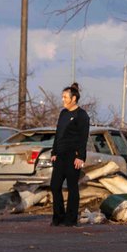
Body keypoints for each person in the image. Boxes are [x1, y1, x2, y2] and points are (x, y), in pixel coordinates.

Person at [49, 82, 90, 227]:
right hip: (60, 156)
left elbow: (84, 137)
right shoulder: (63, 113)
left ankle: (71, 219)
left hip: (73, 156)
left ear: (73, 99)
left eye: (65, 97)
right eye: (62, 97)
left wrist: (81, 157)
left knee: (72, 187)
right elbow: (58, 133)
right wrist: (54, 152)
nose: (63, 100)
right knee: (55, 186)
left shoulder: (81, 115)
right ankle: (58, 216)